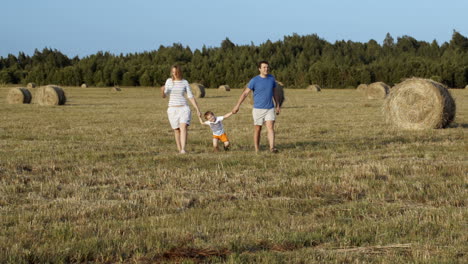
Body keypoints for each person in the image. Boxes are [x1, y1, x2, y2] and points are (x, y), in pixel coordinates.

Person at [232, 61, 281, 153]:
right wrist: (237, 105)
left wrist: (277, 104)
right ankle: (257, 149)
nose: (266, 69)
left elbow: (275, 92)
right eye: (264, 67)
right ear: (259, 69)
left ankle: (272, 148)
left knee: (270, 127)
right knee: (258, 129)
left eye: (267, 67)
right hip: (258, 109)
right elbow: (245, 93)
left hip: (270, 108)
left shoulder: (271, 79)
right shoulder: (254, 80)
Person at [161, 65, 202, 154]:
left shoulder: (185, 82)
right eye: (173, 72)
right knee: (177, 130)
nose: (174, 74)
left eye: (176, 72)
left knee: (183, 127)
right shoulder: (168, 81)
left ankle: (183, 149)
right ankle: (179, 149)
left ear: (179, 72)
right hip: (172, 109)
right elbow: (164, 95)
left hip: (184, 108)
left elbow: (190, 96)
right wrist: (162, 91)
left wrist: (197, 109)